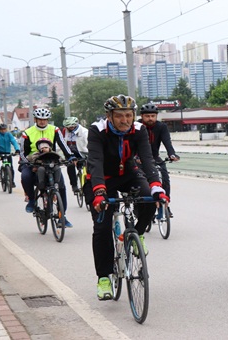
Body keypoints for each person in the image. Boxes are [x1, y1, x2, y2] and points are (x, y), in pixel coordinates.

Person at [85, 94, 168, 301]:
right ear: (109, 116)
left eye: (129, 115)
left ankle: (137, 234)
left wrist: (156, 185)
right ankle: (104, 277)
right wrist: (99, 193)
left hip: (128, 173)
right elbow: (95, 161)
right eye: (120, 116)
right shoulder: (97, 130)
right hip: (101, 178)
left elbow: (147, 160)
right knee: (102, 227)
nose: (125, 120)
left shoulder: (139, 130)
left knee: (150, 198)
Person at [19, 108, 75, 227]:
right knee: (26, 176)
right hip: (32, 160)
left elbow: (63, 144)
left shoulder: (55, 130)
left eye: (45, 119)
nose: (43, 122)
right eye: (40, 119)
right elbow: (23, 152)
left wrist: (70, 156)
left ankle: (62, 217)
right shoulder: (27, 132)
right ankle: (32, 201)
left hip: (50, 158)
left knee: (61, 186)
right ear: (35, 119)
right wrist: (26, 162)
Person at [138, 103, 180, 217]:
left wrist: (172, 154)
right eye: (147, 116)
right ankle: (140, 206)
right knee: (140, 183)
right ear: (142, 116)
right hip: (138, 158)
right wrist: (135, 157)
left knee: (165, 178)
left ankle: (165, 203)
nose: (150, 118)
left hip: (154, 157)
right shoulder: (137, 126)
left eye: (153, 116)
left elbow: (167, 142)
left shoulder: (161, 127)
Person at [61, 116, 88, 193]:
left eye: (72, 127)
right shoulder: (64, 131)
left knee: (89, 168)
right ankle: (74, 185)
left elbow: (89, 145)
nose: (70, 128)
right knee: (71, 165)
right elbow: (61, 144)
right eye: (68, 127)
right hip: (70, 154)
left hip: (82, 153)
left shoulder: (84, 132)